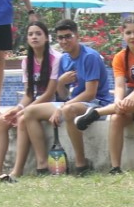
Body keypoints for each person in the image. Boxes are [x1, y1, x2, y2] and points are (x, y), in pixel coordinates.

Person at [19, 19, 112, 177]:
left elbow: (90, 93)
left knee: (68, 110)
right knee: (29, 112)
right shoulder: (65, 59)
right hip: (74, 101)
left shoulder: (90, 57)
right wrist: (61, 83)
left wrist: (62, 108)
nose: (64, 41)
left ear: (77, 35)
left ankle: (81, 164)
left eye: (68, 36)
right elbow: (62, 95)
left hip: (97, 104)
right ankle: (42, 165)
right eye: (60, 38)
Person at [78, 16, 134, 175]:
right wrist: (118, 101)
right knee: (115, 118)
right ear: (123, 34)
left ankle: (98, 112)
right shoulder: (120, 57)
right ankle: (115, 167)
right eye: (128, 32)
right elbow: (120, 85)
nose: (132, 36)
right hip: (130, 100)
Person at [0, 20, 58, 182]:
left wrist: (23, 112)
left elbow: (50, 93)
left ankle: (17, 170)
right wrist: (18, 108)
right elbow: (29, 94)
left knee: (23, 119)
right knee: (2, 120)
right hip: (33, 104)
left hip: (51, 103)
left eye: (38, 34)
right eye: (30, 34)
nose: (34, 37)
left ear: (46, 38)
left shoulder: (55, 58)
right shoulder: (26, 61)